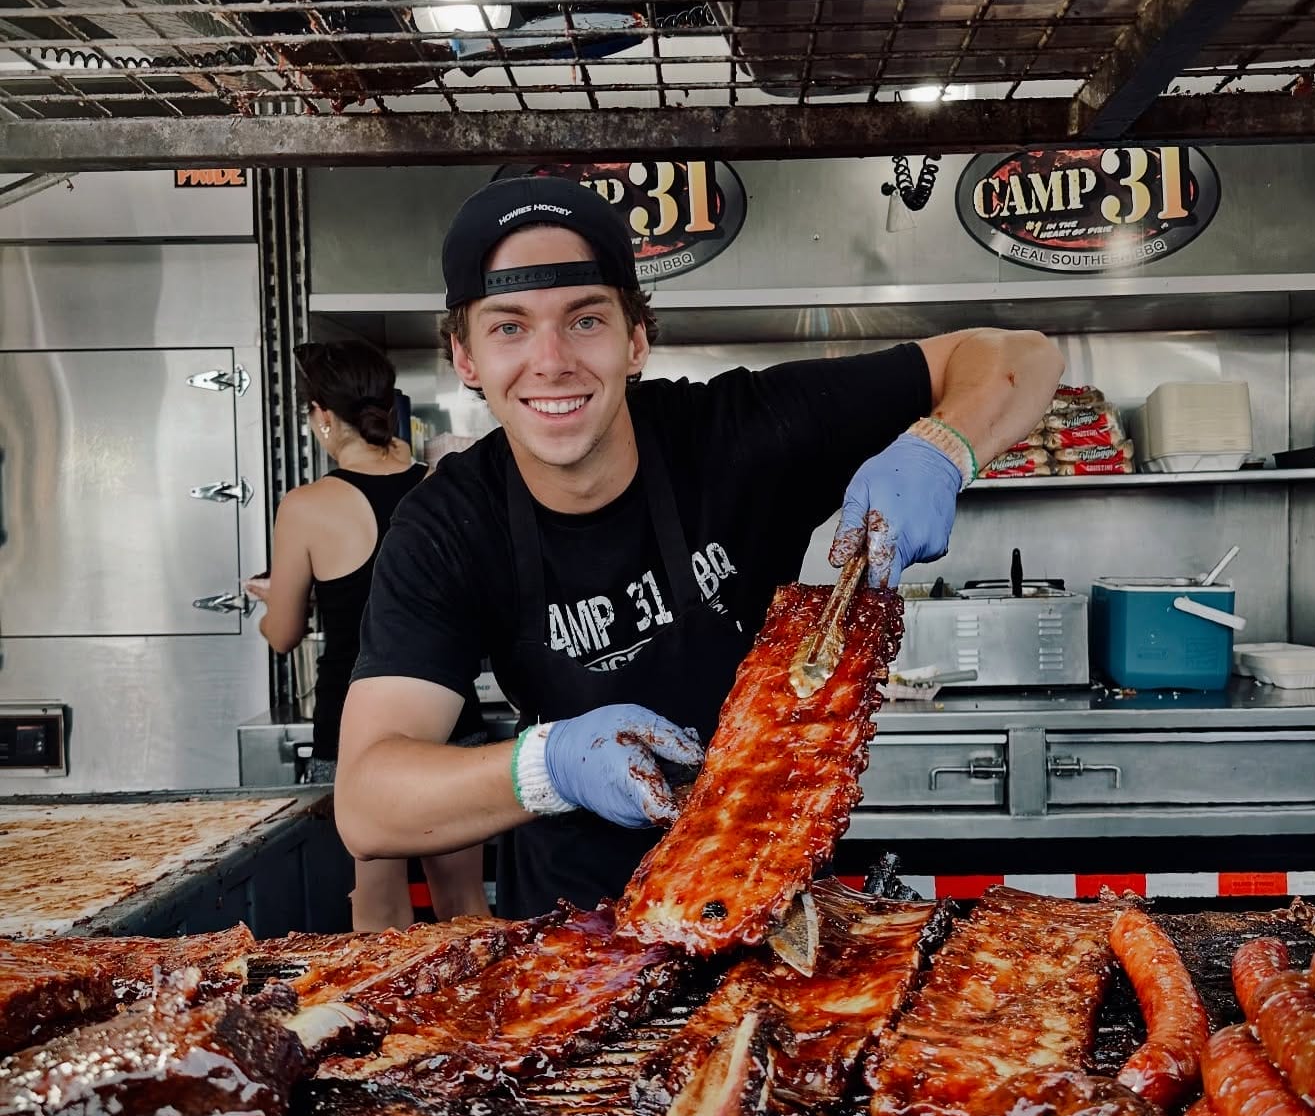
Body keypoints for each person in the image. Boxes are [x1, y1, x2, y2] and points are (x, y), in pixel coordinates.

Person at [336, 176, 1065, 918]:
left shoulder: (740, 432)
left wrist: (941, 448)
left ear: (636, 338)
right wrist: (546, 767)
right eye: (509, 327)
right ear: (465, 358)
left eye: (585, 320)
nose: (550, 360)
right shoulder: (449, 525)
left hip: (775, 912)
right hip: (572, 940)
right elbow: (366, 805)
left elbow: (1020, 354)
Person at [246, 340, 491, 930]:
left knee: (377, 909)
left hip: (355, 729)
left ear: (323, 416)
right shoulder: (440, 486)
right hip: (449, 714)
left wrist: (272, 598)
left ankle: (387, 1023)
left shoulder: (308, 505)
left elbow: (282, 636)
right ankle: (477, 1018)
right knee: (465, 905)